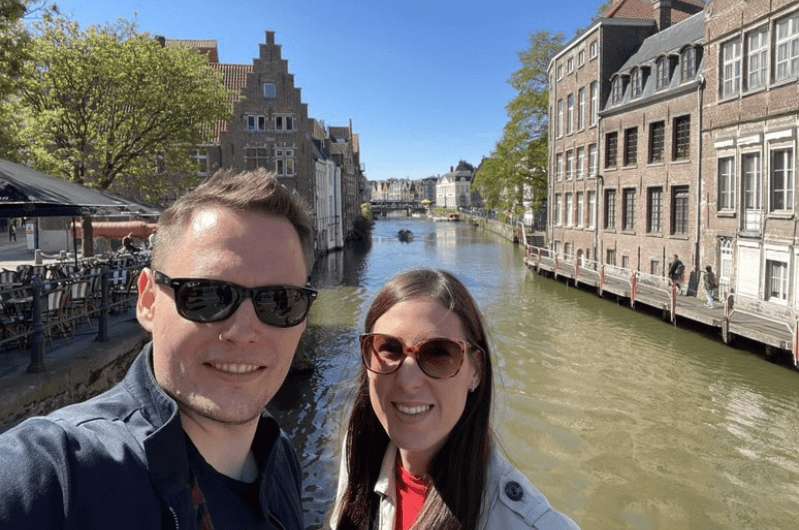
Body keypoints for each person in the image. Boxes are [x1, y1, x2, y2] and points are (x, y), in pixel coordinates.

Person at [0, 168, 317, 530]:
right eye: (206, 295)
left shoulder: (280, 457)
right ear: (148, 300)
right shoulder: (60, 474)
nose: (243, 332)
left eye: (281, 301)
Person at [330, 269, 580, 530]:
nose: (407, 380)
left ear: (476, 371)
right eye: (389, 349)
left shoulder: (528, 524)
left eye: (438, 353)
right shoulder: (359, 452)